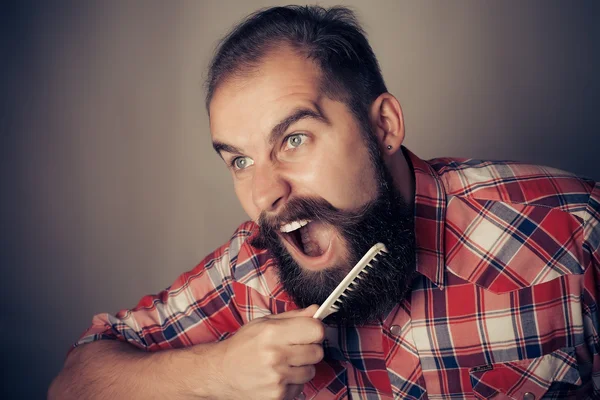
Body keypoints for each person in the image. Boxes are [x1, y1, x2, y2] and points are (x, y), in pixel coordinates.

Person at [49, 5, 599, 400]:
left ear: (382, 125)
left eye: (293, 140)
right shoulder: (251, 274)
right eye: (240, 161)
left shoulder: (570, 232)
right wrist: (216, 373)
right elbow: (74, 383)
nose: (265, 194)